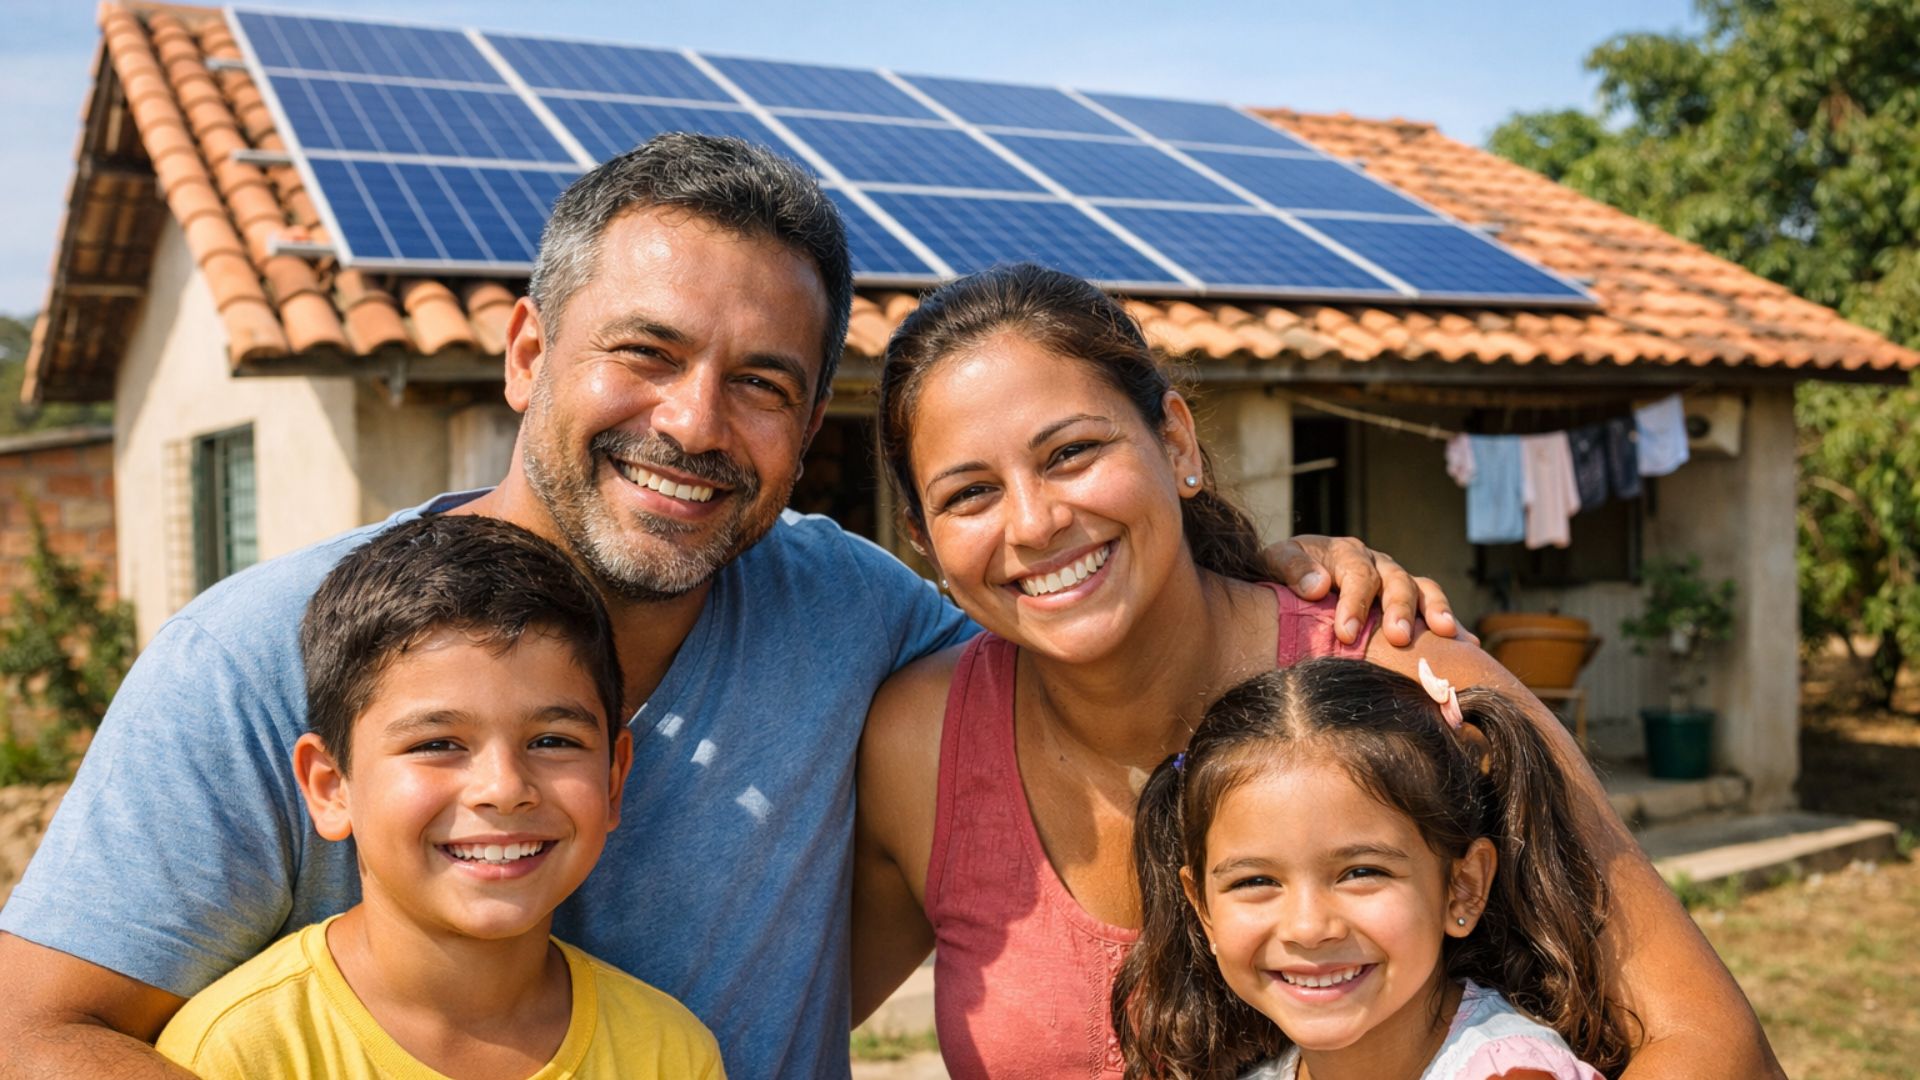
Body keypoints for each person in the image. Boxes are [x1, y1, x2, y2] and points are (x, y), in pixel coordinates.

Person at [0, 134, 1451, 1080]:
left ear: (809, 429)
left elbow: (1072, 612)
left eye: (761, 384)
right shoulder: (264, 659)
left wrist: (1274, 567)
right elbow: (35, 1033)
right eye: (644, 353)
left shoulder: (853, 614)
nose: (694, 424)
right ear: (527, 354)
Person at [850, 264, 1777, 1078]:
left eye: (1072, 453)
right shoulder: (921, 748)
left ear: (1176, 443)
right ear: (923, 540)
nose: (1033, 522)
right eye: (970, 493)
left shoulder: (1402, 679)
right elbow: (782, 1013)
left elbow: (1713, 1044)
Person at [155, 514, 723, 1078]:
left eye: (553, 741)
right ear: (330, 787)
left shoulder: (669, 1055)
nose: (504, 789)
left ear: (613, 779)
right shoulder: (236, 1055)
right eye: (437, 744)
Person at [1114, 657, 1623, 1080]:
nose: (1308, 928)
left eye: (1361, 873)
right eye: (1256, 881)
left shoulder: (1511, 1073)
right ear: (1203, 909)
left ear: (1463, 887)